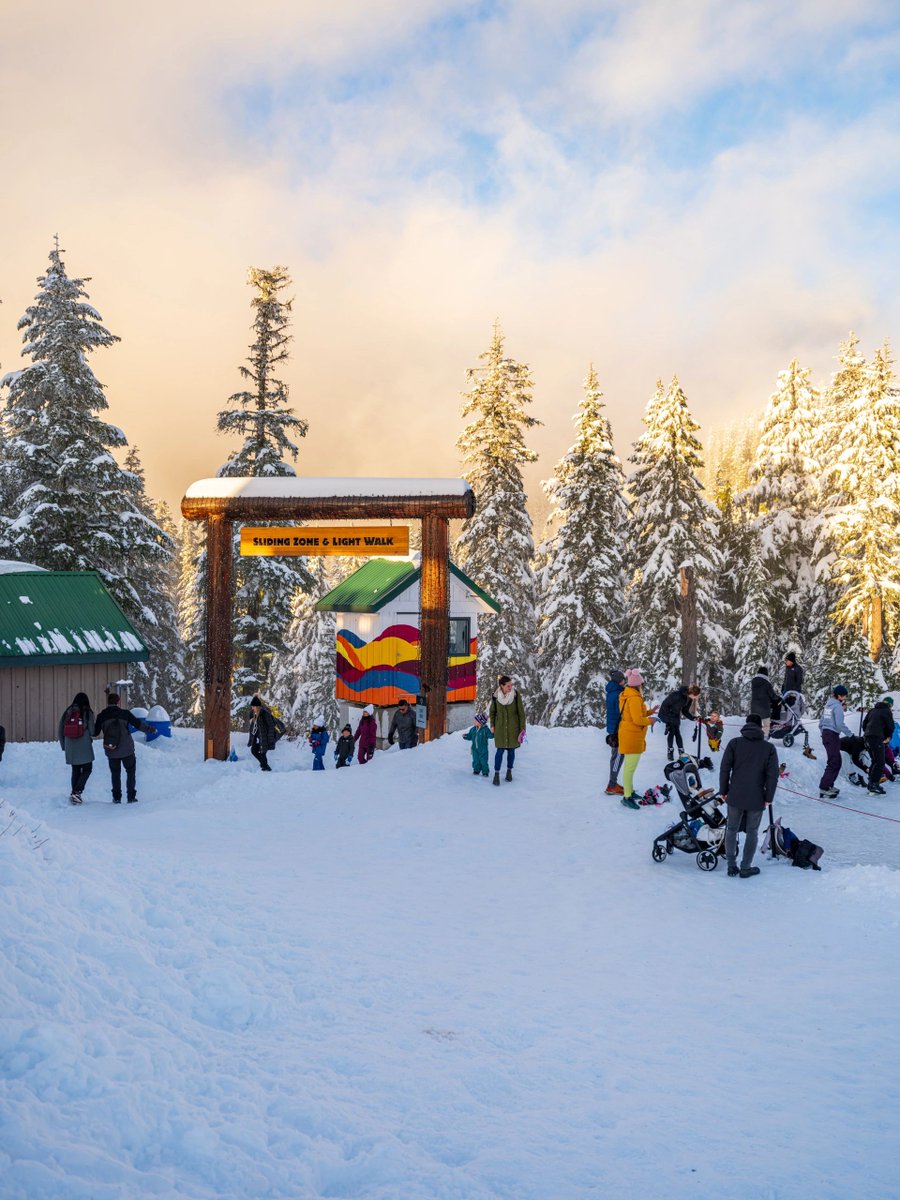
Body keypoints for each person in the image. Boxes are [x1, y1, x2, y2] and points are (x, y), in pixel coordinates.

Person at [719, 712, 779, 878]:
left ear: (745, 725)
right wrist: (769, 798)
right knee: (752, 832)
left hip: (735, 795)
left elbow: (725, 768)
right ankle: (745, 867)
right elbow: (772, 776)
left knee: (731, 829)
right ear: (760, 727)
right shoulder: (769, 748)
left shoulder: (735, 743)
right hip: (757, 796)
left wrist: (723, 790)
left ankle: (731, 865)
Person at [93, 693, 156, 804]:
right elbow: (138, 725)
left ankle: (116, 798)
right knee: (130, 772)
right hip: (127, 750)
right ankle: (131, 797)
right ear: (118, 702)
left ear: (108, 702)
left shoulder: (101, 716)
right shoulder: (125, 714)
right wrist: (151, 730)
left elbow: (95, 732)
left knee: (115, 774)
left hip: (111, 750)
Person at [617, 668, 657, 810]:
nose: (643, 687)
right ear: (638, 685)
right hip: (632, 736)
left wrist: (650, 712)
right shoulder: (634, 698)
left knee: (630, 768)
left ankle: (630, 792)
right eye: (642, 684)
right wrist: (650, 721)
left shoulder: (629, 695)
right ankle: (627, 797)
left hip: (630, 734)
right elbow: (637, 719)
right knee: (629, 768)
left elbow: (637, 713)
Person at [58, 691, 95, 805]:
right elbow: (93, 731)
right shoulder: (87, 712)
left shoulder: (67, 712)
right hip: (83, 745)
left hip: (70, 745)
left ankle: (75, 794)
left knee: (75, 770)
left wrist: (64, 745)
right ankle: (77, 792)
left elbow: (60, 729)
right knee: (87, 769)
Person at [489, 674, 526, 785]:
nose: (511, 687)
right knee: (499, 751)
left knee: (511, 751)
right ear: (502, 686)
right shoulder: (495, 696)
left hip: (513, 728)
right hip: (500, 728)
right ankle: (496, 774)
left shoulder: (515, 695)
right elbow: (492, 712)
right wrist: (492, 725)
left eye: (511, 685)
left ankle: (509, 771)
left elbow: (521, 714)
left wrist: (522, 729)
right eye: (508, 686)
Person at [818, 684, 853, 799]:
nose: (845, 698)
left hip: (827, 734)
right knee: (834, 762)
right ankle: (824, 788)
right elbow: (839, 724)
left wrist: (823, 732)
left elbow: (822, 721)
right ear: (839, 695)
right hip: (832, 735)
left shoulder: (828, 705)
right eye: (844, 696)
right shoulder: (837, 707)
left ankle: (828, 786)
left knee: (835, 761)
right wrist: (850, 734)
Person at [657, 684, 701, 761]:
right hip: (666, 714)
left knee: (677, 732)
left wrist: (693, 718)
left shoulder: (689, 699)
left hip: (675, 715)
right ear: (693, 693)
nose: (697, 698)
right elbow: (665, 704)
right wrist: (669, 718)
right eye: (697, 696)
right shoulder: (677, 695)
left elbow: (684, 711)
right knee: (672, 731)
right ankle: (670, 751)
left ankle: (681, 752)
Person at [863, 697, 895, 796]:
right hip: (877, 739)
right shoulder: (887, 711)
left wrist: (868, 733)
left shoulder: (872, 710)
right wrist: (887, 737)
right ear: (890, 705)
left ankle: (871, 783)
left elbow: (864, 724)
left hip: (867, 738)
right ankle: (874, 785)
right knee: (880, 762)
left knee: (875, 761)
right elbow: (890, 726)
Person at [604, 669, 626, 796]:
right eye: (623, 680)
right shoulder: (618, 694)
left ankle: (613, 783)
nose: (624, 682)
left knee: (616, 756)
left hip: (614, 728)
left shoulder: (612, 691)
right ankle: (612, 785)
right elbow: (621, 712)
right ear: (619, 681)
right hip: (618, 729)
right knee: (618, 756)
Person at [247, 696, 277, 772]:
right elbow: (253, 727)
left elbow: (271, 726)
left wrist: (270, 738)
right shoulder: (254, 714)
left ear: (257, 706)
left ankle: (265, 768)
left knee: (262, 753)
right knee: (254, 750)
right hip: (257, 738)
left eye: (253, 706)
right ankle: (264, 765)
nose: (252, 708)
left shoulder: (265, 714)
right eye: (252, 706)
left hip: (265, 738)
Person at [750, 667, 781, 735]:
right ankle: (765, 738)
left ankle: (753, 736)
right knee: (766, 725)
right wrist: (779, 698)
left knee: (755, 723)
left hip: (754, 707)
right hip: (764, 708)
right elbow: (773, 696)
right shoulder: (767, 684)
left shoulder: (753, 682)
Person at [463, 711, 493, 777]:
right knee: (476, 760)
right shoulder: (473, 729)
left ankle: (485, 772)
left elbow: (491, 736)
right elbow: (470, 736)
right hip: (474, 749)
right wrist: (466, 736)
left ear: (481, 722)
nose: (474, 721)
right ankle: (476, 770)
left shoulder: (485, 730)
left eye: (476, 721)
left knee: (484, 761)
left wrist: (492, 732)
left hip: (483, 750)